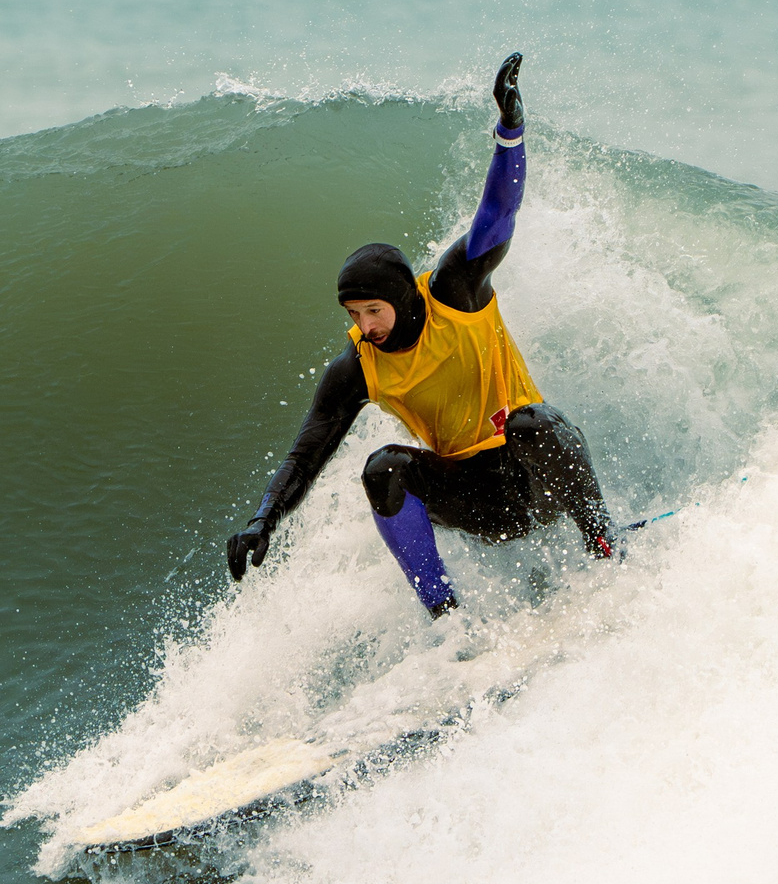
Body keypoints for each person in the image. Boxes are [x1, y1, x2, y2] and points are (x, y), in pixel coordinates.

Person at [224, 53, 616, 616]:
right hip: (478, 503)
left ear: (405, 297)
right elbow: (306, 454)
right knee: (382, 469)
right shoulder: (360, 365)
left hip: (536, 476)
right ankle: (446, 616)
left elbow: (498, 215)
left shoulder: (455, 292)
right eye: (355, 315)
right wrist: (264, 519)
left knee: (535, 423)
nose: (365, 327)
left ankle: (605, 545)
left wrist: (511, 132)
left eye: (373, 311)